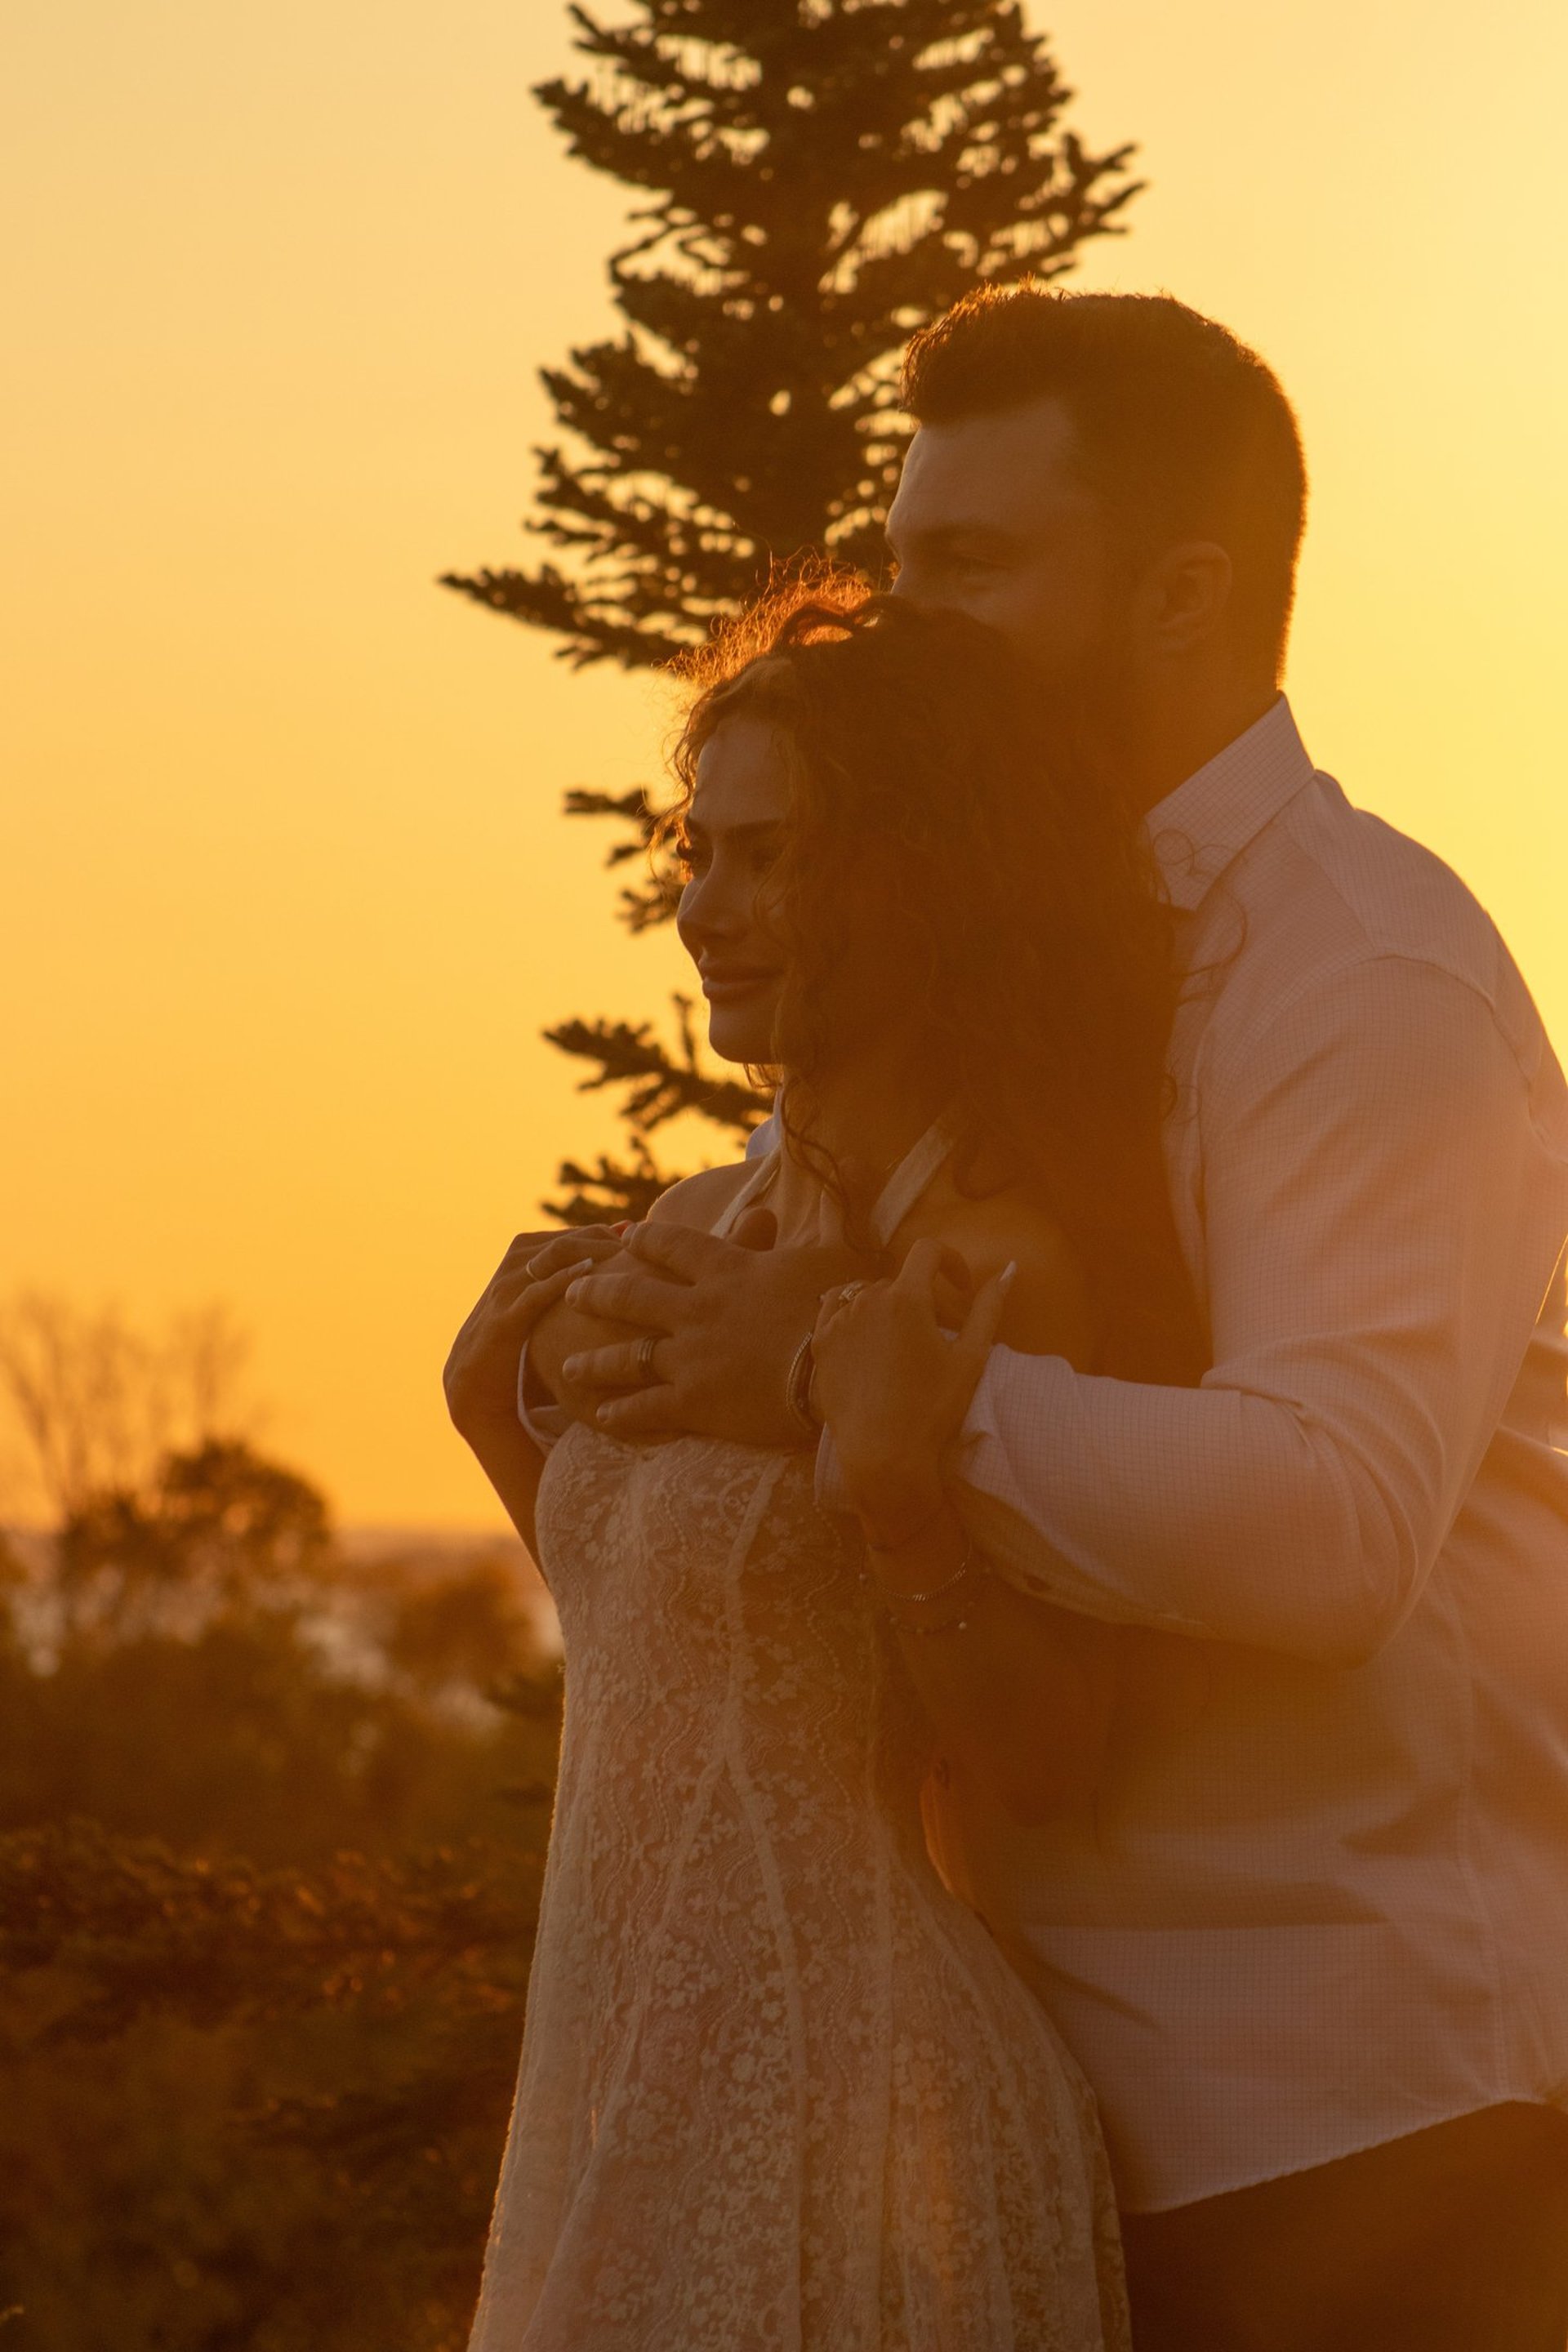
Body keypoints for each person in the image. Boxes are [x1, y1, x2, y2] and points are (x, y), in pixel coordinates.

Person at [517, 289, 1568, 2351]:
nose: (905, 622)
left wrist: (855, 1383)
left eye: (971, 569)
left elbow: (1338, 1519)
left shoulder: (1367, 979)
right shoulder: (996, 972)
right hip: (1026, 2098)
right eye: (897, 560)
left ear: (1184, 596)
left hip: (1357, 2117)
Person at [446, 590, 1192, 2348]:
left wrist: (902, 1494)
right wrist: (501, 1437)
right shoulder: (695, 1233)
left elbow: (1046, 1759)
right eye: (697, 854)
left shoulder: (992, 1266)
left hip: (866, 2100)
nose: (701, 909)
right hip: (637, 2072)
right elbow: (693, 1659)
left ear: (920, 877)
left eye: (766, 859)